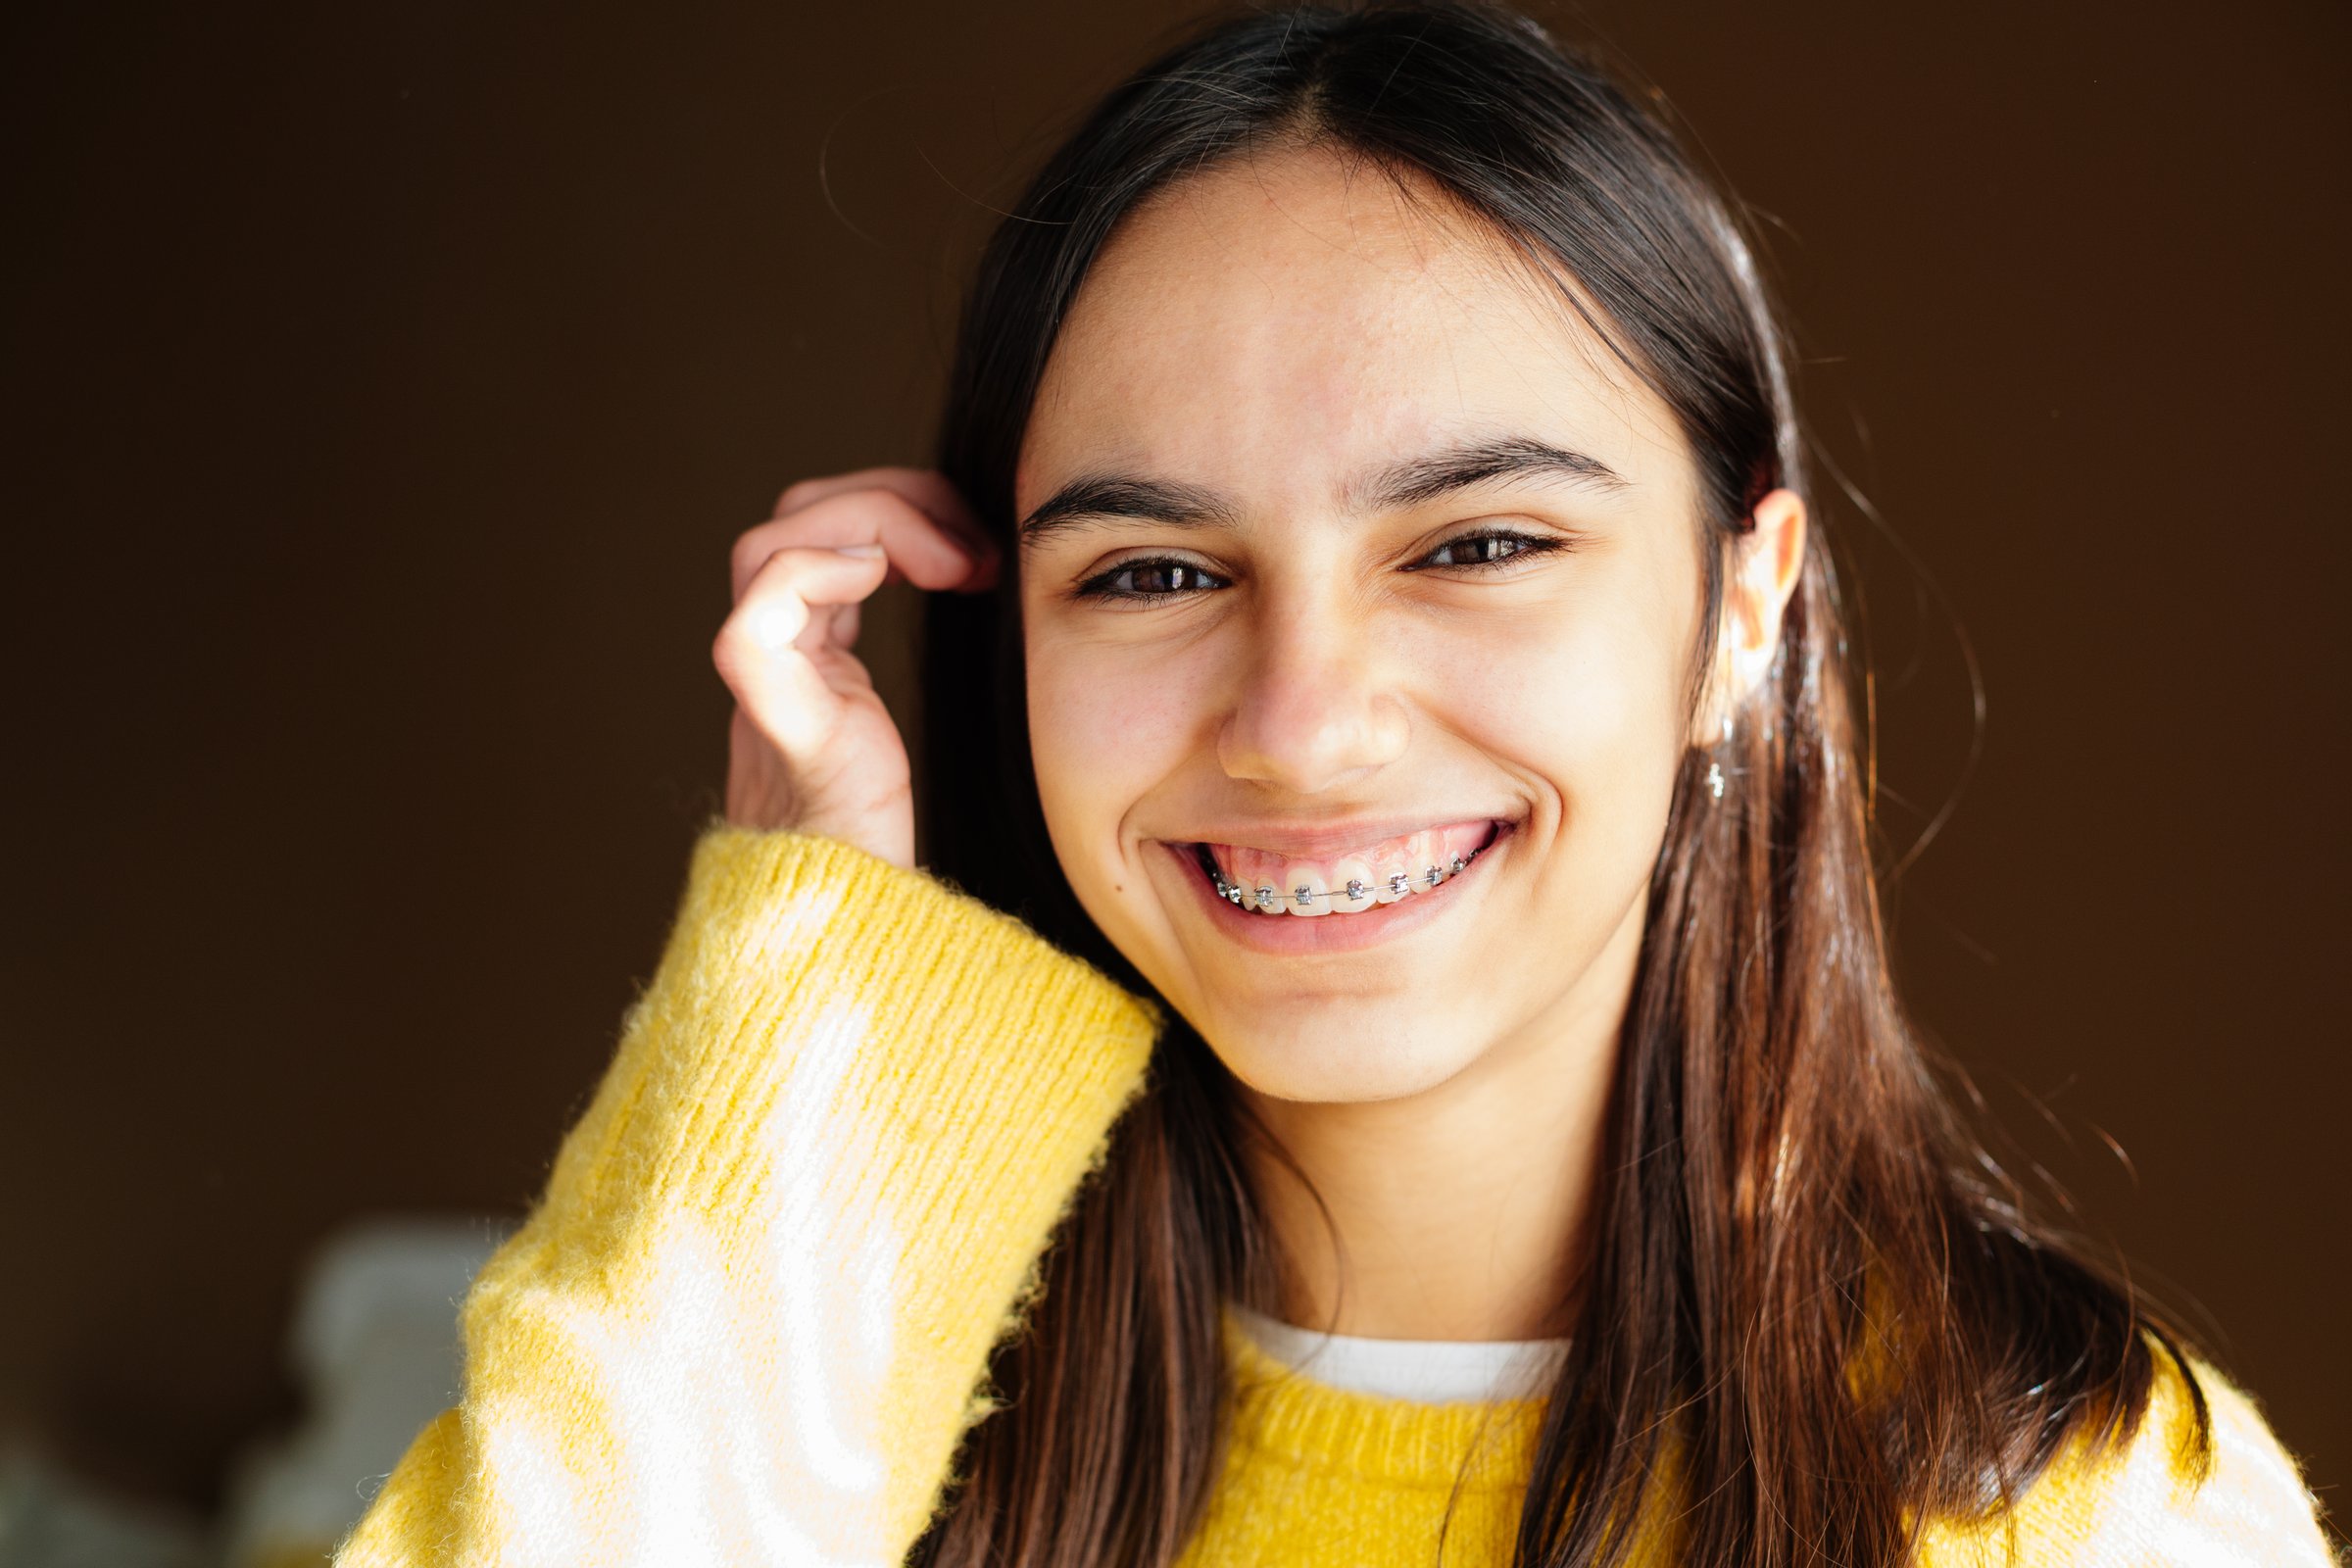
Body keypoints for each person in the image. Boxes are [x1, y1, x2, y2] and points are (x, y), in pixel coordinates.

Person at [334, 3, 2337, 1564]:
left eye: (1475, 542)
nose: (1299, 719)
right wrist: (803, 996)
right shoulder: (825, 1424)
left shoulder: (2075, 1509)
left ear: (1747, 607)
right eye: (1151, 571)